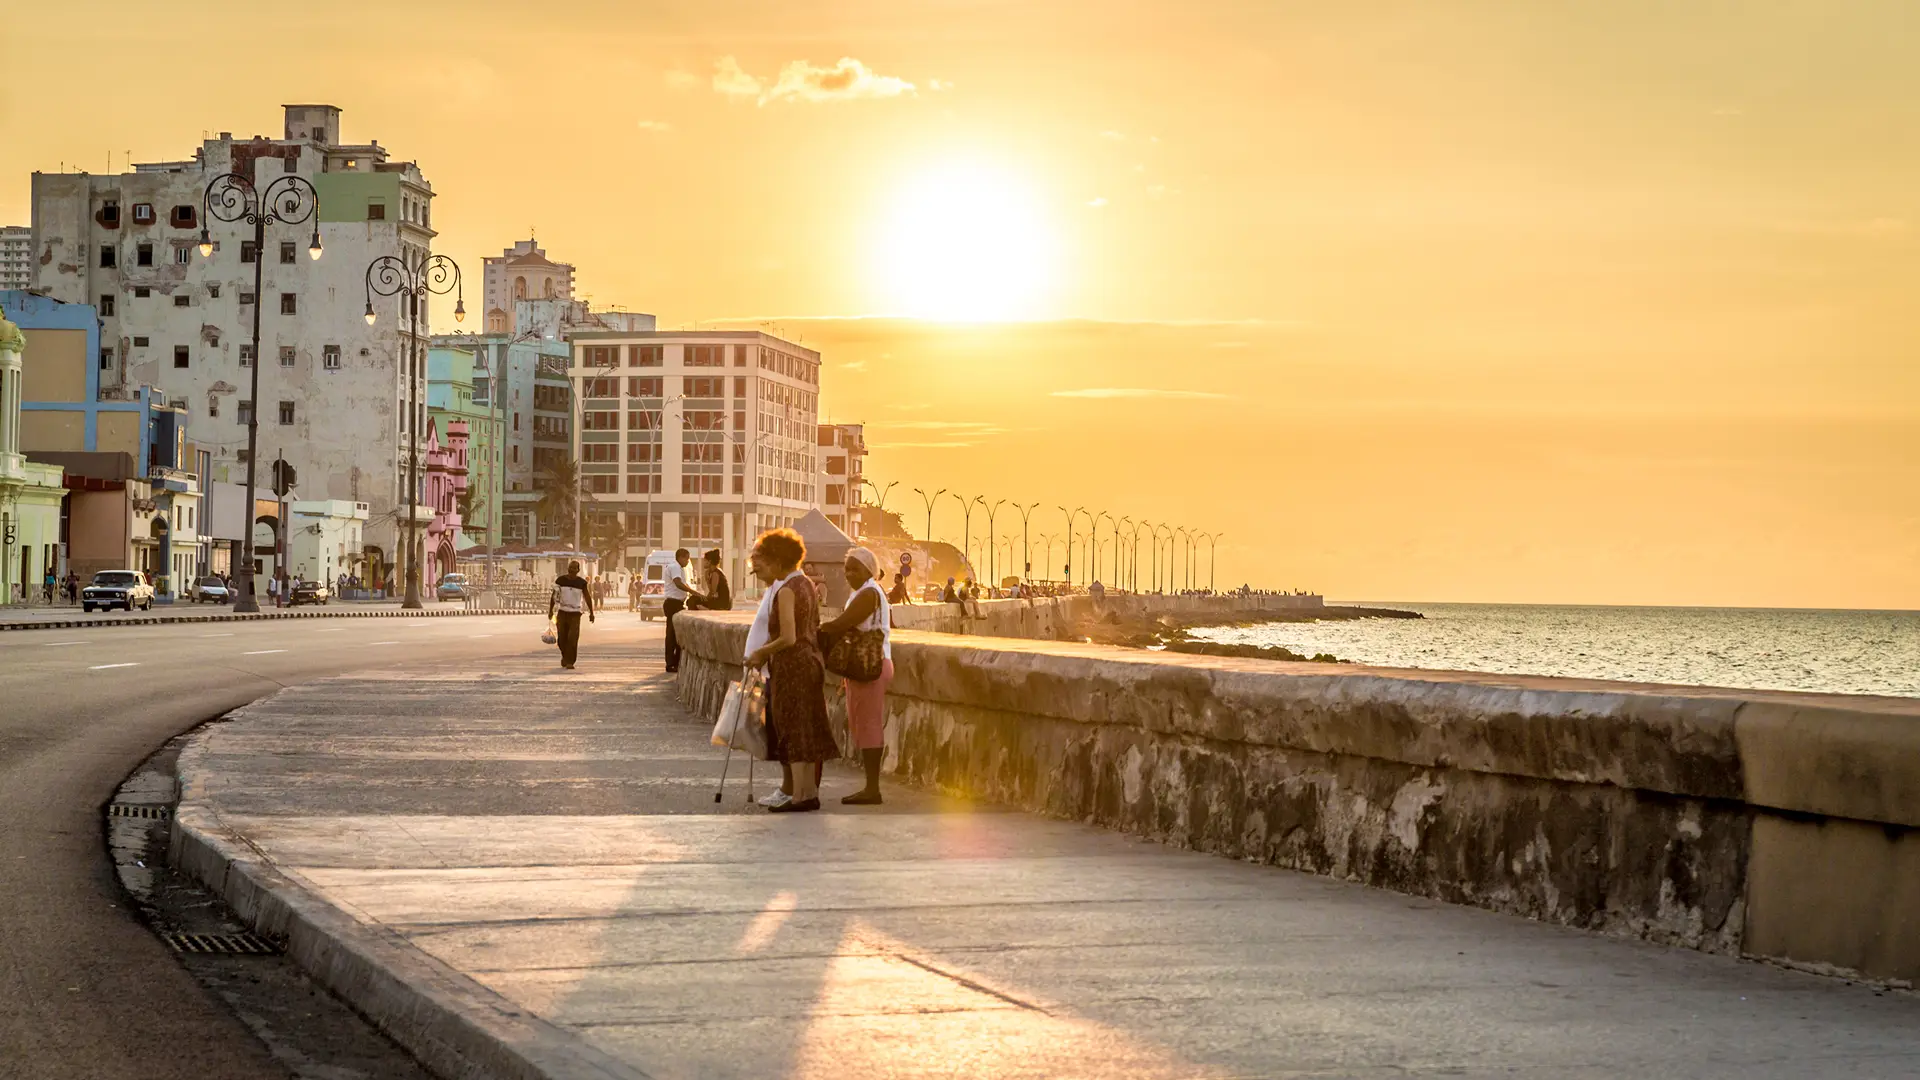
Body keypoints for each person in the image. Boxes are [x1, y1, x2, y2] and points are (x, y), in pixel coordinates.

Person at [742, 529, 837, 813]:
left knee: (792, 729)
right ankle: (807, 793)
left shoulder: (785, 590)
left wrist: (760, 652)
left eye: (763, 563)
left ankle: (799, 797)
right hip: (810, 663)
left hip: (792, 666)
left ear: (777, 561)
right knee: (807, 728)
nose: (759, 570)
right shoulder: (806, 584)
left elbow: (788, 637)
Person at [820, 546, 893, 805]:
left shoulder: (869, 593)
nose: (849, 573)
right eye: (846, 569)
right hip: (863, 666)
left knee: (869, 724)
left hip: (872, 665)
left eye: (854, 568)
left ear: (869, 570)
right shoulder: (864, 592)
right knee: (861, 724)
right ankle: (870, 787)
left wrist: (815, 631)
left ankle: (872, 789)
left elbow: (843, 623)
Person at [662, 547, 704, 673]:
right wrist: (693, 592)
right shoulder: (675, 567)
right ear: (681, 557)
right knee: (671, 634)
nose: (687, 561)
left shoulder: (679, 568)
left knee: (676, 634)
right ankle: (670, 663)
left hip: (677, 603)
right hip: (673, 603)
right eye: (687, 558)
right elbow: (678, 583)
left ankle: (675, 662)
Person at [548, 559, 595, 670]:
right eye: (571, 567)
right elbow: (554, 595)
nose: (572, 569)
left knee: (572, 638)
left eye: (575, 568)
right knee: (561, 639)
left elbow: (587, 597)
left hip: (575, 614)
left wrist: (591, 612)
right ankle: (565, 656)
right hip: (562, 613)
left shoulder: (581, 583)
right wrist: (550, 610)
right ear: (568, 568)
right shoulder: (560, 580)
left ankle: (570, 661)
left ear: (578, 570)